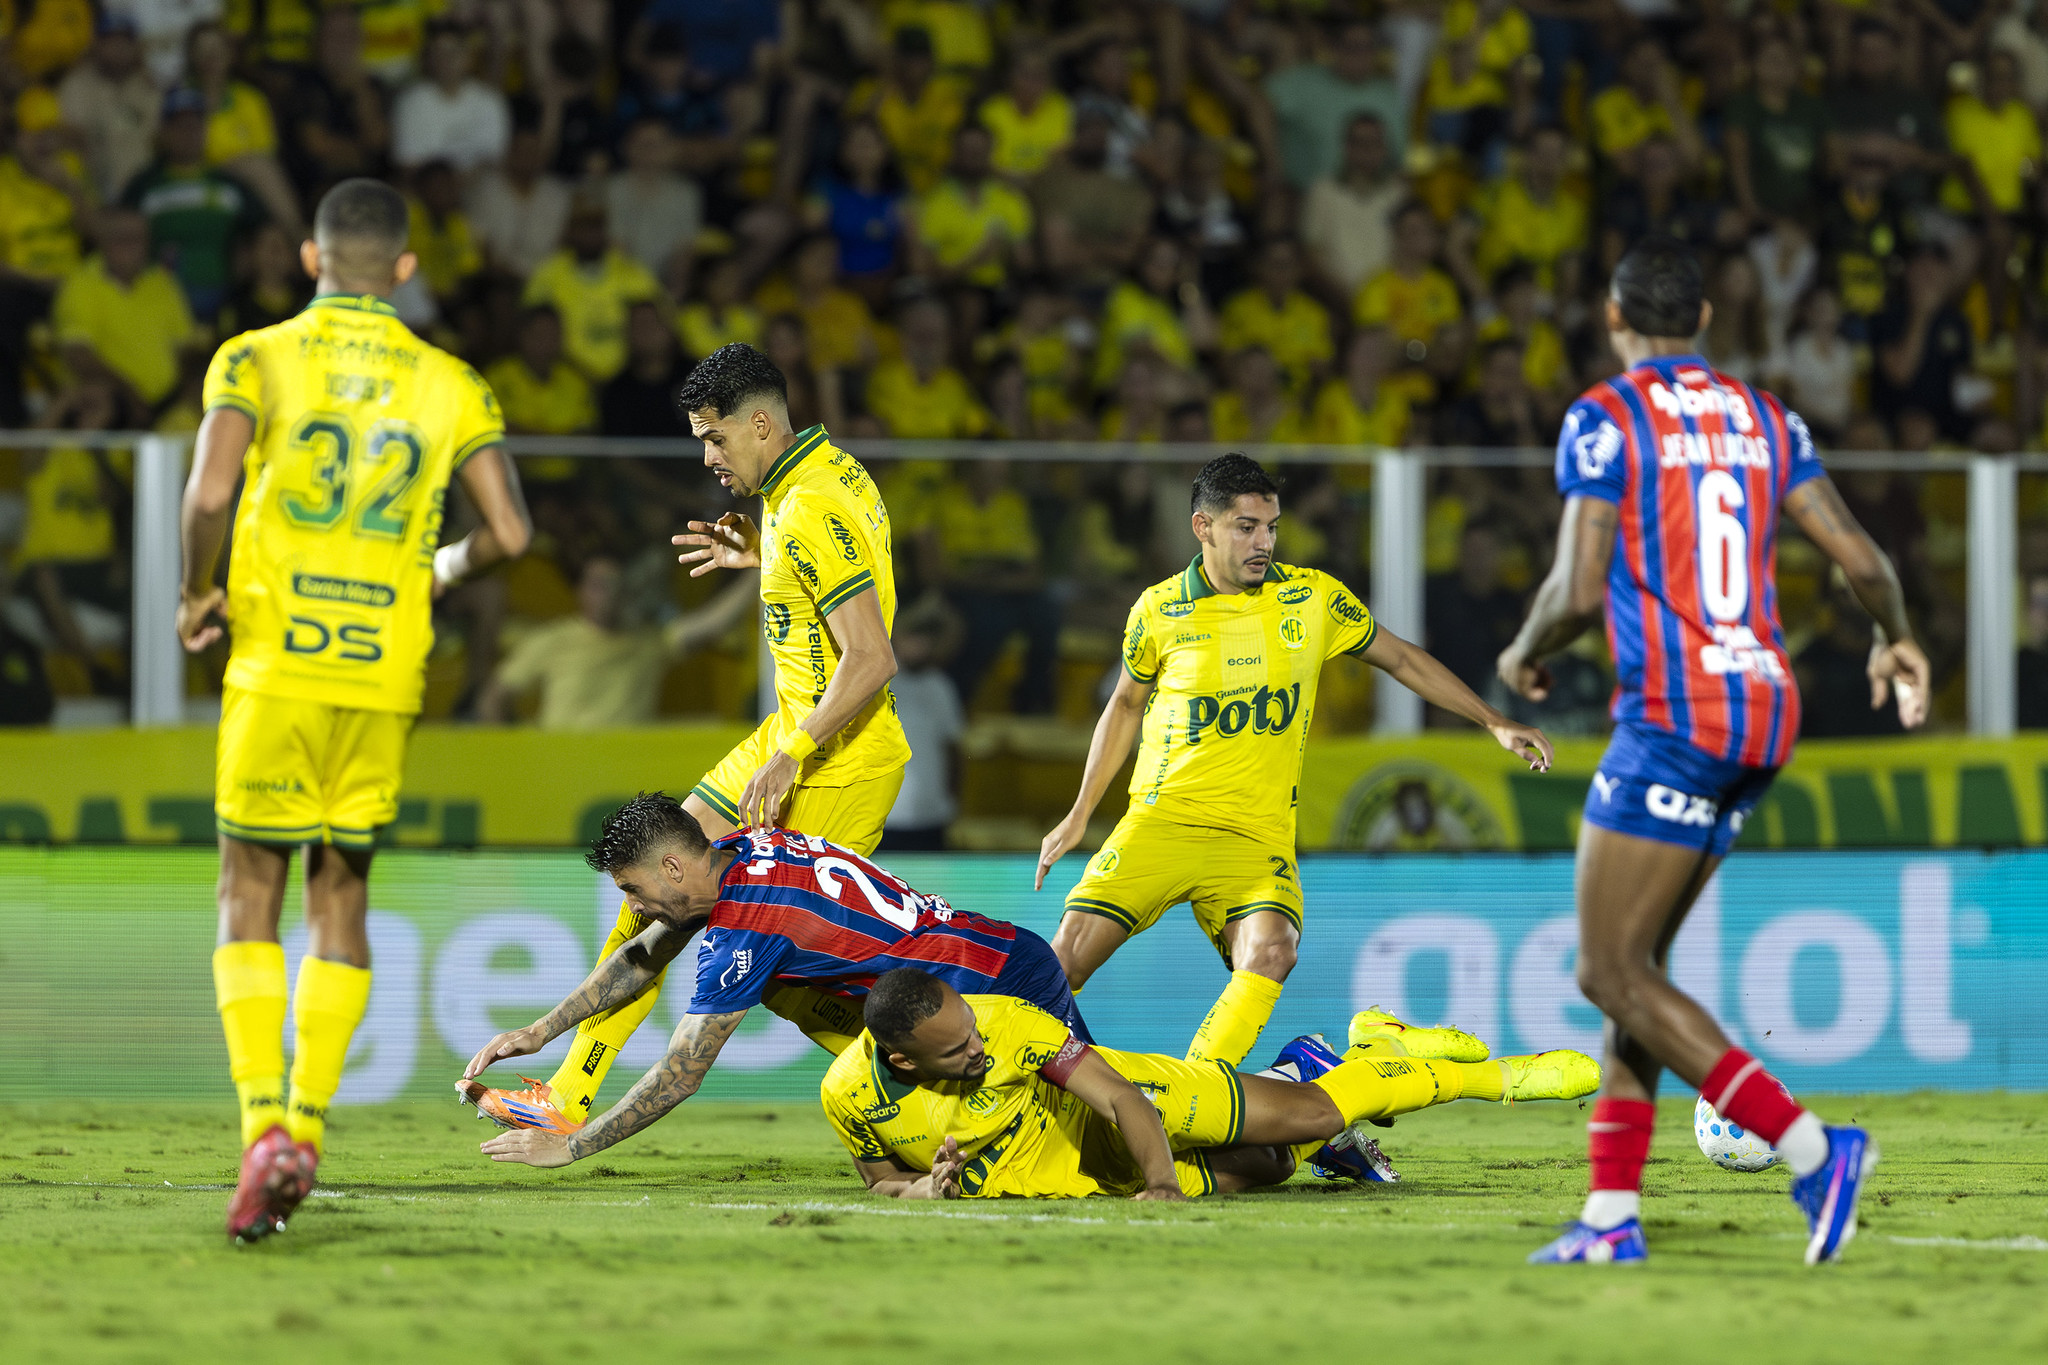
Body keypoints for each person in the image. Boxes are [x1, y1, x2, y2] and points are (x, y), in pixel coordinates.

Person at [1497, 237, 1931, 1266]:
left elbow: (1573, 584)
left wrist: (1516, 656)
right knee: (1635, 970)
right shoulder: (1763, 418)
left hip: (1674, 714)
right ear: (1700, 322)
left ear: (1612, 321)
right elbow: (1860, 559)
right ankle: (1609, 1220)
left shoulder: (1605, 421)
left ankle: (1811, 1150)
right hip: (1763, 708)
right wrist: (1893, 635)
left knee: (1605, 970)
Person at [177, 178, 532, 1243]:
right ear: (407, 271)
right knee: (341, 899)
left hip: (278, 660)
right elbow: (511, 536)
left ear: (309, 258)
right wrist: (440, 566)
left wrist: (198, 594)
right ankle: (312, 1127)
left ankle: (263, 1128)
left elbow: (205, 496)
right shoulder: (452, 382)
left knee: (249, 887)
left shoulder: (255, 357)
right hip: (383, 668)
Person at [460, 344, 909, 1134]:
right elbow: (840, 575)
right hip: (794, 733)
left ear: (762, 423)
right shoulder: (823, 476)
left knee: (784, 972)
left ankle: (934, 1082)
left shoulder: (809, 503)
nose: (706, 457)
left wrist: (791, 754)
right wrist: (763, 558)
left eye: (716, 438)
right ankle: (569, 1087)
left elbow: (872, 657)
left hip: (837, 759)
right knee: (654, 869)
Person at [1036, 455, 1554, 1071]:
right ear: (1203, 527)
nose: (1264, 543)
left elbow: (1404, 659)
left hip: (1257, 836)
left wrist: (1493, 719)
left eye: (1272, 527)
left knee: (1273, 952)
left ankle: (1194, 1093)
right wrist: (1079, 814)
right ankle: (1011, 1107)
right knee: (1060, 964)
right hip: (1163, 822)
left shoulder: (1312, 600)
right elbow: (1124, 705)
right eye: (1246, 527)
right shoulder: (1159, 611)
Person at [461, 796, 1092, 1163]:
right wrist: (540, 1031)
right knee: (1081, 1125)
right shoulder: (747, 847)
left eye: (634, 888)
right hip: (999, 956)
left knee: (1096, 1137)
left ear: (675, 867)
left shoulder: (748, 929)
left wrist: (570, 1149)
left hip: (991, 994)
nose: (633, 906)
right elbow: (643, 956)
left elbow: (681, 1073)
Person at [817, 969, 1597, 1201]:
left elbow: (1118, 1096)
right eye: (959, 1049)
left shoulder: (1011, 1024)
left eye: (975, 1030)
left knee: (1309, 1117)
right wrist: (924, 1193)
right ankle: (1323, 1055)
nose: (981, 1048)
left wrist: (1160, 1185)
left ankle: (1486, 1075)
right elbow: (883, 1182)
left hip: (1140, 1107)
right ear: (904, 1060)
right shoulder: (847, 1094)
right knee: (1276, 1166)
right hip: (1084, 1183)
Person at [479, 555, 756, 728]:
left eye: (616, 585)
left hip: (623, 772)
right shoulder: (553, 639)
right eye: (599, 585)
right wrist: (510, 760)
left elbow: (714, 621)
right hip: (559, 767)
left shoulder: (649, 642)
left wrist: (760, 567)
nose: (608, 593)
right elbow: (493, 698)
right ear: (581, 592)